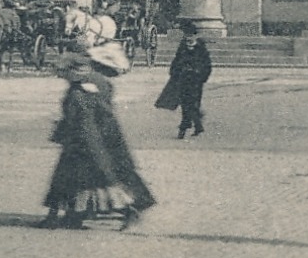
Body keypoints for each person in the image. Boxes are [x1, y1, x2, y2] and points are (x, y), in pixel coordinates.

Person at [40, 44, 155, 230]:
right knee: (84, 179)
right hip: (98, 137)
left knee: (96, 179)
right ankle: (74, 215)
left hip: (87, 140)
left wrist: (74, 137)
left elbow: (85, 121)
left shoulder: (82, 90)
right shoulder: (94, 83)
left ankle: (126, 211)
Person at [162, 23, 212, 138]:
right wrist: (174, 72)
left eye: (190, 35)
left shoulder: (201, 47)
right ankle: (191, 125)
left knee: (193, 103)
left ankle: (189, 125)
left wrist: (203, 76)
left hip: (196, 80)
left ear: (195, 36)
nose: (188, 38)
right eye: (186, 35)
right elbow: (177, 59)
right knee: (185, 103)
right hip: (184, 78)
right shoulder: (182, 46)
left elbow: (207, 63)